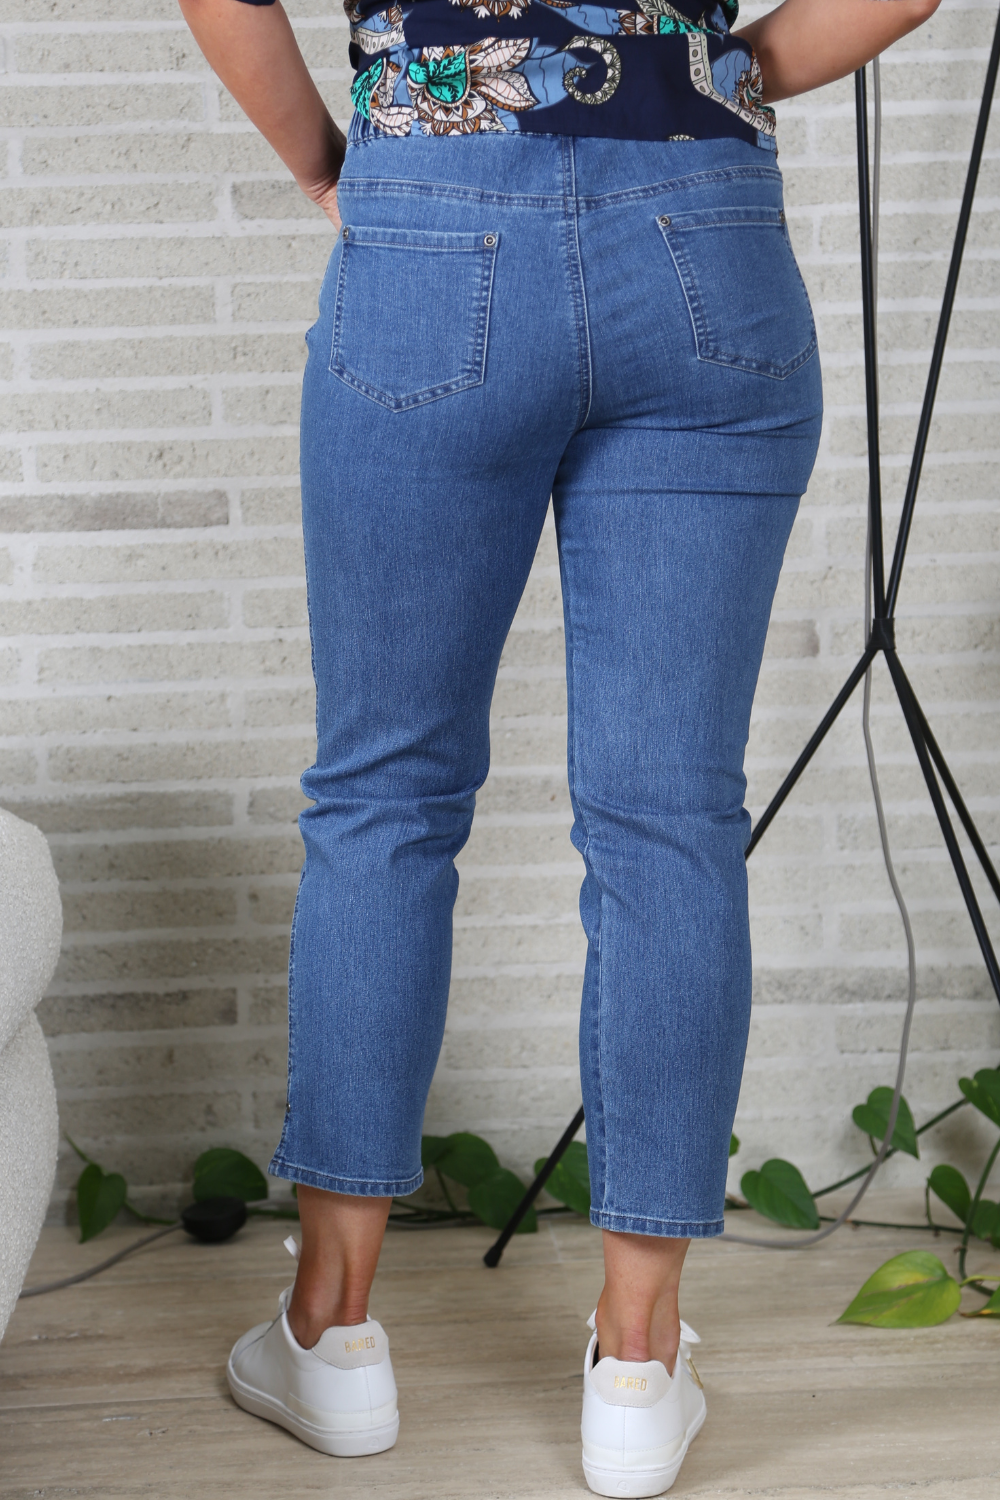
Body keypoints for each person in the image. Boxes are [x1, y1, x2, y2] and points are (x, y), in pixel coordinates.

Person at [178, 0, 941, 1490]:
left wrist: (328, 159)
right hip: (702, 222)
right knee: (670, 818)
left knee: (386, 799)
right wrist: (731, 66)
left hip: (433, 206)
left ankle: (332, 1336)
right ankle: (637, 1369)